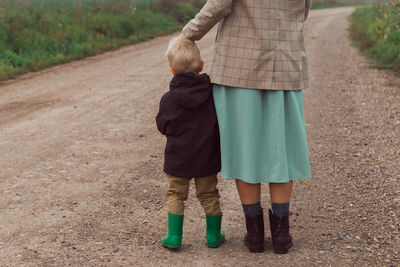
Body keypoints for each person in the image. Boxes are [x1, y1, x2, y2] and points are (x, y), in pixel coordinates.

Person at [179, 0, 312, 254]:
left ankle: (255, 234)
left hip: (240, 65)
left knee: (244, 147)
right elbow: (304, 10)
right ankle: (282, 234)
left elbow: (219, 4)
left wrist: (187, 35)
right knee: (280, 148)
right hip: (286, 63)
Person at [156, 38, 225, 249]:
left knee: (176, 194)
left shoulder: (169, 99)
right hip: (207, 157)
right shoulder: (212, 94)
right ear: (201, 65)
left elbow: (162, 126)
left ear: (171, 70)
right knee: (209, 194)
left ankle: (175, 237)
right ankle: (213, 236)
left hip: (179, 158)